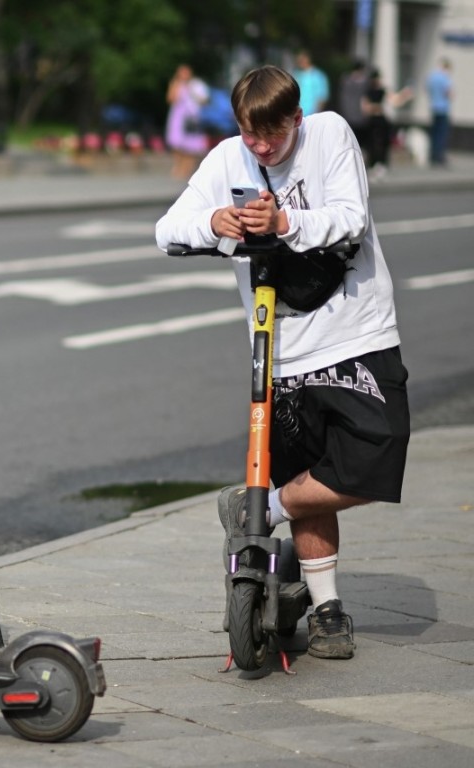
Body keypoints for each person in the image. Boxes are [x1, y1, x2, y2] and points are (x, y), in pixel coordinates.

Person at [155, 65, 410, 661]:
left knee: (381, 449)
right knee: (305, 470)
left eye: (273, 131)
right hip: (284, 345)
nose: (262, 145)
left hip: (357, 331)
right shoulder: (226, 160)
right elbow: (166, 231)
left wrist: (284, 221)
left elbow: (350, 216)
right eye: (251, 133)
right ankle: (326, 610)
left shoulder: (330, 134)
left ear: (296, 117)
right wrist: (214, 223)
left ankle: (257, 505)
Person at [361, 69, 412, 179]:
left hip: (380, 120)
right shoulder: (368, 91)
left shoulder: (382, 91)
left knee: (383, 144)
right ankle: (373, 165)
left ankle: (381, 165)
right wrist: (376, 107)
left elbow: (395, 101)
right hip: (373, 121)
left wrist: (404, 95)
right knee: (372, 145)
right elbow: (366, 107)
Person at [164, 64, 210, 180]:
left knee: (191, 144)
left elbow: (204, 100)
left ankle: (187, 168)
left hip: (191, 117)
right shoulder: (176, 84)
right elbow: (170, 99)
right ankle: (179, 165)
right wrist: (177, 86)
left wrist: (193, 93)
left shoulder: (196, 84)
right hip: (178, 116)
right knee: (176, 142)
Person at [425, 58, 452, 166]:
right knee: (441, 133)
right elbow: (448, 92)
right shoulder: (445, 77)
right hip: (443, 108)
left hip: (434, 107)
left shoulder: (432, 76)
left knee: (434, 133)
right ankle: (439, 155)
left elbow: (427, 89)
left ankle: (433, 155)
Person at [337, 59, 368, 153]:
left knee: (349, 138)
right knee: (360, 140)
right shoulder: (364, 82)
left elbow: (342, 96)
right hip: (360, 114)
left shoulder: (345, 79)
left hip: (347, 113)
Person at [293, 50, 328, 116]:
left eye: (301, 60)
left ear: (307, 59)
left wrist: (317, 113)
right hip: (298, 114)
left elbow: (322, 96)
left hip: (312, 114)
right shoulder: (296, 74)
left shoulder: (318, 75)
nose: (299, 62)